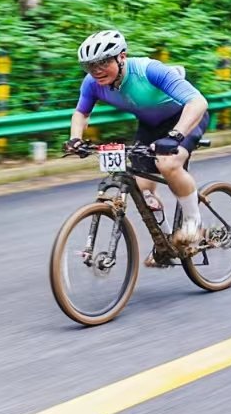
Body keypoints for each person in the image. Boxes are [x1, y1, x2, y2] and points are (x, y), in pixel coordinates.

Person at [65, 30, 211, 256]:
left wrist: (175, 135)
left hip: (185, 118)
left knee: (168, 164)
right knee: (143, 189)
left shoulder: (148, 70)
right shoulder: (92, 83)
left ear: (121, 57)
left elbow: (198, 102)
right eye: (90, 66)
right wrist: (75, 139)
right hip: (150, 125)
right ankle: (166, 244)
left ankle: (194, 225)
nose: (96, 70)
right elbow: (81, 113)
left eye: (103, 62)